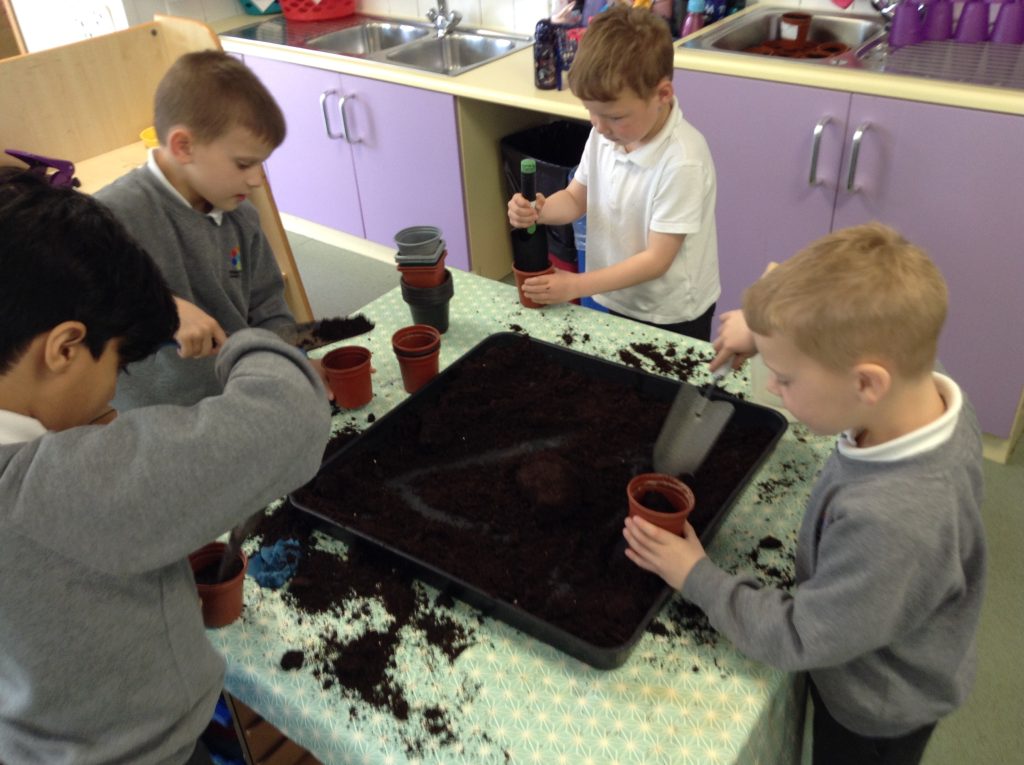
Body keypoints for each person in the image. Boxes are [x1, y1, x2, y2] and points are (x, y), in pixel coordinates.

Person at [622, 223, 987, 765]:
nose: (772, 385)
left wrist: (694, 574)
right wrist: (765, 331)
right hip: (866, 617)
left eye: (786, 378)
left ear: (867, 384)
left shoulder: (894, 521)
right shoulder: (921, 386)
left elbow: (801, 636)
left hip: (873, 703)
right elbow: (832, 297)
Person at [0, 172, 331, 763]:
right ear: (65, 348)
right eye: (118, 364)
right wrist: (248, 342)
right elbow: (290, 419)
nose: (112, 391)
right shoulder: (50, 490)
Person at [95, 49, 328, 408]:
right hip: (159, 419)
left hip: (240, 397)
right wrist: (162, 310)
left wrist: (295, 362)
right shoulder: (109, 216)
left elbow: (267, 306)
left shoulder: (242, 217)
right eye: (244, 164)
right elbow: (73, 310)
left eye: (261, 165)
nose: (257, 180)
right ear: (184, 146)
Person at [507, 4, 719, 341]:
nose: (600, 126)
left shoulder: (683, 161)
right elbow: (576, 198)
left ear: (662, 94)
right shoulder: (605, 135)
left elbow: (656, 260)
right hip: (622, 294)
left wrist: (576, 285)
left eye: (615, 116)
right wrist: (539, 210)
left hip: (672, 312)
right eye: (591, 111)